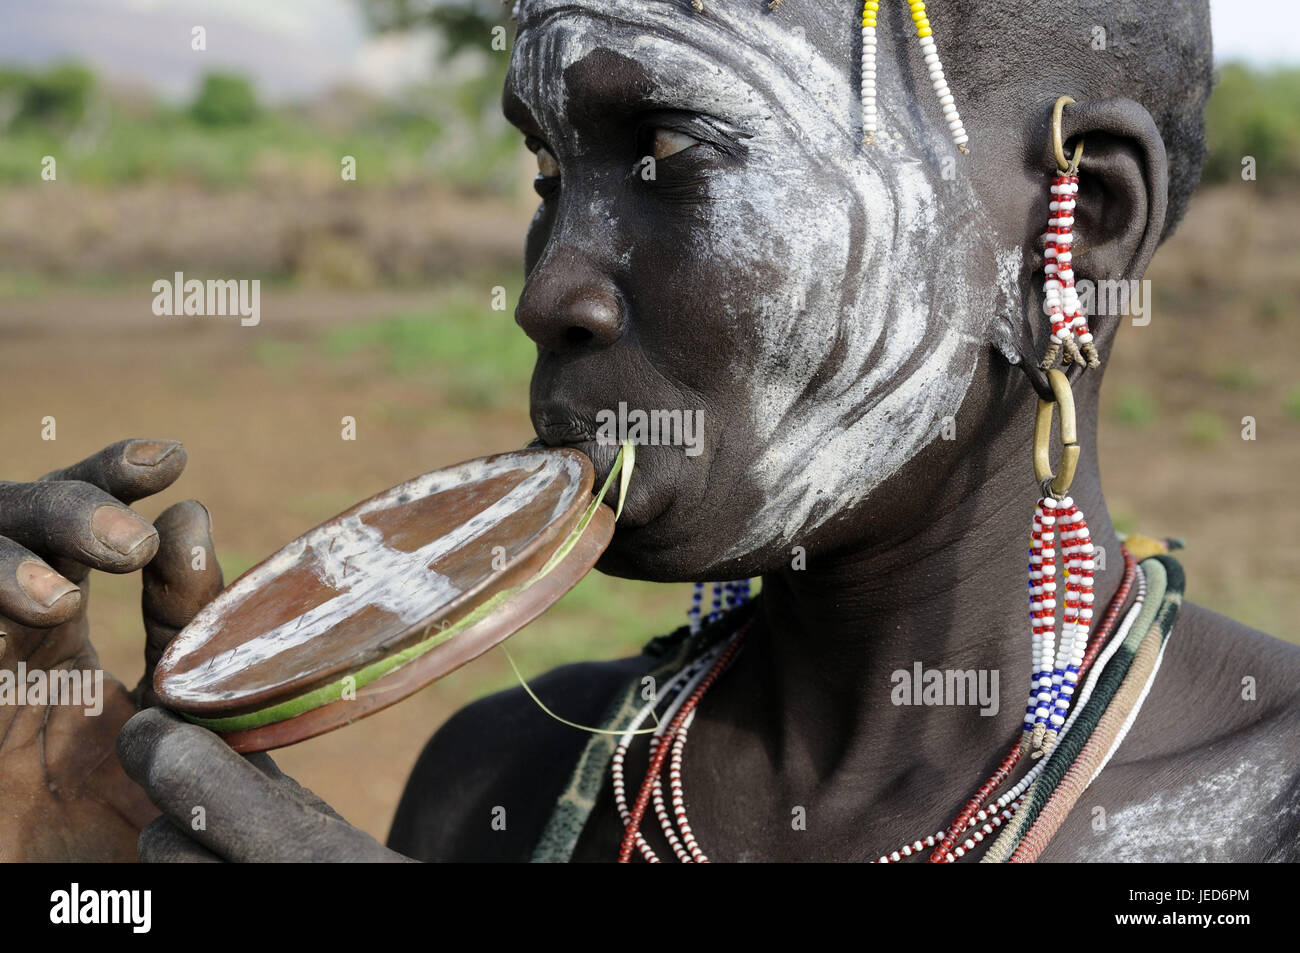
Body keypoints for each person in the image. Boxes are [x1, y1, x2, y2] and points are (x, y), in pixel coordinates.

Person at [4, 0, 1296, 862]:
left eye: (672, 154)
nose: (548, 289)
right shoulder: (507, 777)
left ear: (1082, 227)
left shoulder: (1265, 805)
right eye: (549, 177)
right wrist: (92, 861)